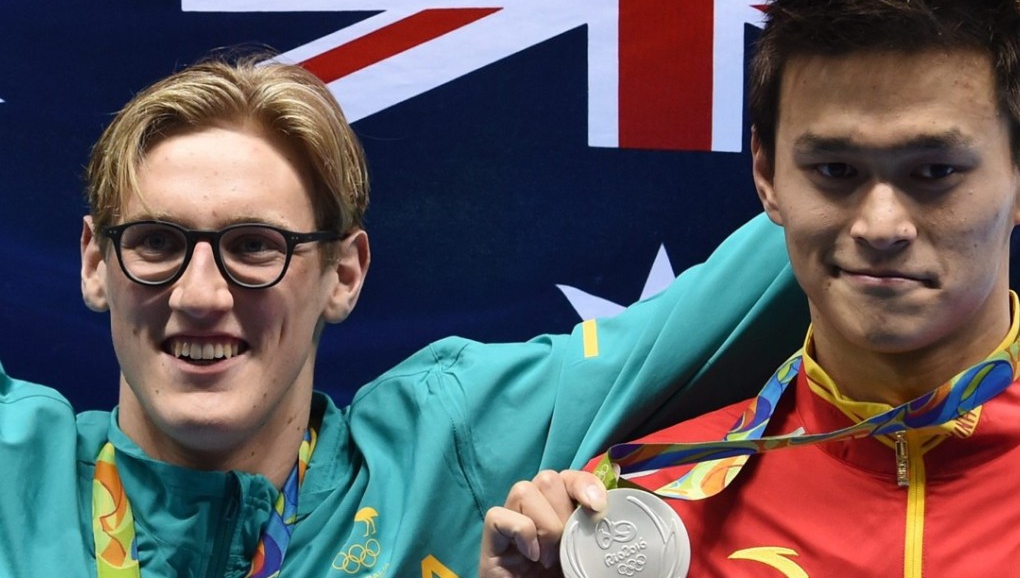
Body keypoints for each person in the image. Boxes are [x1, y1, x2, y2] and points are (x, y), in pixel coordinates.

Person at [0, 55, 807, 576]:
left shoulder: (453, 447)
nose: (201, 294)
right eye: (156, 242)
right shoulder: (13, 470)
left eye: (254, 247)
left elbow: (808, 255)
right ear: (94, 263)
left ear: (343, 274)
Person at [480, 0, 1020, 577]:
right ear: (766, 175)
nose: (881, 225)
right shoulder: (630, 524)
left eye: (934, 172)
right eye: (836, 171)